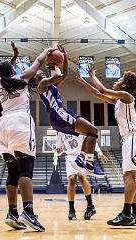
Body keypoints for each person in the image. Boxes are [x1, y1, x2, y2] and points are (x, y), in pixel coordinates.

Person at [76, 66, 136, 226]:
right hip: (128, 140)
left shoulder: (126, 96)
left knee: (129, 177)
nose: (116, 82)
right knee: (129, 177)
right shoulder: (118, 101)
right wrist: (83, 81)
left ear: (124, 86)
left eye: (119, 80)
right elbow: (99, 94)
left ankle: (126, 213)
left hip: (134, 137)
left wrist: (92, 76)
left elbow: (103, 89)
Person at [0, 42, 56, 232]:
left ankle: (12, 213)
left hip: (3, 126)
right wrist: (47, 51)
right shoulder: (20, 79)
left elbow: (5, 71)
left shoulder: (0, 83)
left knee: (13, 172)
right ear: (11, 71)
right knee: (26, 171)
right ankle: (28, 212)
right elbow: (37, 63)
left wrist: (13, 56)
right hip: (20, 124)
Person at [32, 46, 104, 177]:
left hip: (60, 116)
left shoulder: (49, 86)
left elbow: (64, 75)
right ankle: (88, 164)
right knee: (93, 131)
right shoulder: (41, 84)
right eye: (38, 74)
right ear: (34, 80)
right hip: (59, 114)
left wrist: (64, 57)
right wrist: (53, 63)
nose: (41, 73)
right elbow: (59, 75)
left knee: (90, 134)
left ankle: (82, 160)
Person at [56, 132, 108, 220]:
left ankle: (90, 206)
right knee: (72, 179)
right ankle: (71, 210)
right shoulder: (61, 131)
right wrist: (59, 150)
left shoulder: (79, 125)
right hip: (70, 157)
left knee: (81, 176)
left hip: (81, 156)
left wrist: (99, 152)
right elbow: (59, 148)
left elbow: (91, 139)